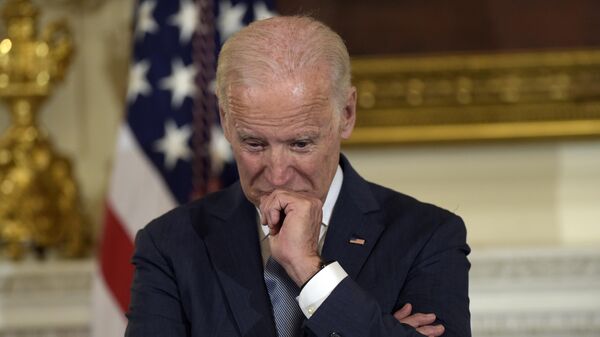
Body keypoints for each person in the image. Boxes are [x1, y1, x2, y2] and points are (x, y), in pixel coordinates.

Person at [125, 16, 471, 337]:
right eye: (254, 143)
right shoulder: (170, 244)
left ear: (347, 114)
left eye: (301, 143)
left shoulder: (427, 237)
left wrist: (312, 272)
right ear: (225, 119)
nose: (276, 174)